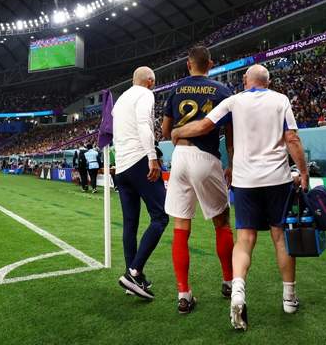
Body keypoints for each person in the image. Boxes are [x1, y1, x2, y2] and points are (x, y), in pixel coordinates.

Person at [171, 64, 309, 331]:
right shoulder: (281, 100)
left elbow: (204, 126)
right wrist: (303, 172)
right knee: (280, 238)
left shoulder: (234, 101)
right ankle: (289, 298)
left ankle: (237, 293)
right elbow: (292, 138)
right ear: (268, 81)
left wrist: (178, 132)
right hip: (277, 179)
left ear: (246, 79)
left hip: (245, 181)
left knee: (245, 239)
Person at [161, 46, 235, 314]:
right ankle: (228, 282)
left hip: (180, 157)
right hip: (206, 158)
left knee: (181, 226)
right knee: (221, 221)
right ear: (210, 64)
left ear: (188, 65)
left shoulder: (176, 89)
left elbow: (166, 131)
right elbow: (231, 133)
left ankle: (183, 294)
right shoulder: (222, 91)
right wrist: (232, 164)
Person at [113, 66, 169, 299]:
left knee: (130, 224)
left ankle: (131, 279)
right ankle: (134, 272)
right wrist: (152, 157)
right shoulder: (145, 94)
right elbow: (144, 125)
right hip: (139, 160)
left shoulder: (120, 100)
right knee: (161, 216)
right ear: (150, 81)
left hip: (121, 166)